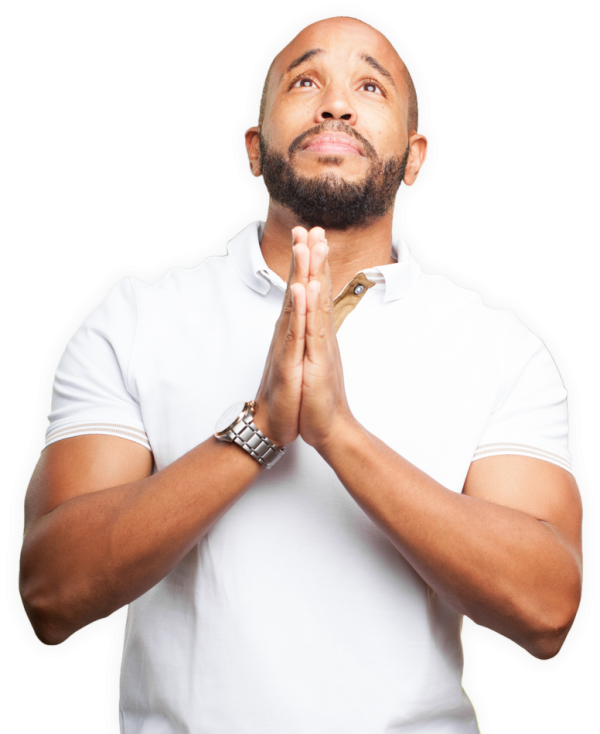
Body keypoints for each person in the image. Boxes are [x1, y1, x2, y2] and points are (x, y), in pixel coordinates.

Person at [18, 15, 582, 733]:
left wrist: (339, 434)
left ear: (414, 158)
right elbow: (51, 595)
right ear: (255, 149)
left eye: (370, 87)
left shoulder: (500, 347)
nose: (336, 104)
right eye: (305, 81)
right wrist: (259, 428)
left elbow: (546, 612)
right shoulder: (136, 320)